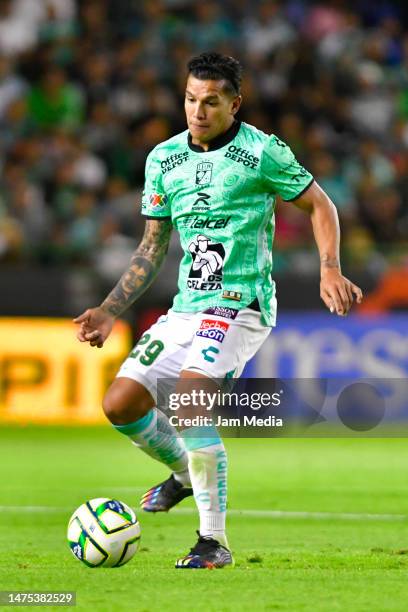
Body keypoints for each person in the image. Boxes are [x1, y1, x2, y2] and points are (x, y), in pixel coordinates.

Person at [74, 52, 363, 569]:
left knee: (189, 404)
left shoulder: (263, 153)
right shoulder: (163, 159)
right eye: (190, 99)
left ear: (235, 103)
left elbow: (320, 203)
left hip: (240, 305)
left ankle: (213, 542)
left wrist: (329, 268)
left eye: (211, 102)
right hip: (187, 308)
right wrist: (110, 308)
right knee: (120, 404)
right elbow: (151, 247)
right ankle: (186, 474)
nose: (198, 111)